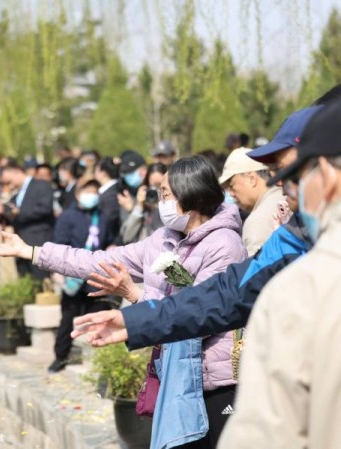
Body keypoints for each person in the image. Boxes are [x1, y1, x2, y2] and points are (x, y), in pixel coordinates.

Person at [0, 156, 247, 449]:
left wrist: (133, 294)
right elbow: (100, 261)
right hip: (176, 373)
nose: (160, 202)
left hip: (216, 380)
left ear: (191, 194)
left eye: (165, 194)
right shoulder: (163, 239)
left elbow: (200, 317)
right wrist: (33, 253)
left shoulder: (225, 245)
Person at [67, 105, 321, 355]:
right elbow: (223, 295)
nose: (280, 184)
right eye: (278, 174)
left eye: (290, 173)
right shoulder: (294, 232)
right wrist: (137, 321)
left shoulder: (231, 240)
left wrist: (135, 298)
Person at [219, 98, 341, 449]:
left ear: (327, 177)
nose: (287, 194)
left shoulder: (301, 292)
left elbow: (263, 433)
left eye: (293, 178)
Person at [48, 178, 116, 372]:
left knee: (99, 317)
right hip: (73, 276)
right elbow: (59, 245)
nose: (91, 196)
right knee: (68, 318)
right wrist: (58, 273)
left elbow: (109, 239)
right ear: (78, 194)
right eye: (87, 191)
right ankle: (61, 356)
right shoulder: (67, 217)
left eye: (95, 192)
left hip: (97, 277)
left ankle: (99, 360)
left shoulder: (102, 217)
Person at [0, 162, 54, 280]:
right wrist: (1, 212)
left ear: (16, 172)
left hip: (38, 242)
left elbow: (45, 209)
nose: (8, 186)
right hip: (20, 245)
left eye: (9, 182)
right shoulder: (17, 194)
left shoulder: (41, 185)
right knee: (26, 281)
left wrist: (19, 212)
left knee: (41, 284)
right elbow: (13, 217)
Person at [219, 148, 285, 255]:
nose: (231, 193)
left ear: (252, 179)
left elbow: (259, 270)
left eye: (232, 186)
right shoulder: (284, 197)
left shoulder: (257, 221)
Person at [119, 163, 167, 244]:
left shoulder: (172, 207)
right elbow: (126, 237)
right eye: (152, 186)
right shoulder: (141, 206)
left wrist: (159, 206)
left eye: (160, 186)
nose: (156, 191)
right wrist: (139, 206)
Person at [94, 158, 121, 247]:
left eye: (97, 169)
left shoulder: (111, 194)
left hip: (108, 243)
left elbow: (108, 220)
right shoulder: (107, 191)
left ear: (103, 172)